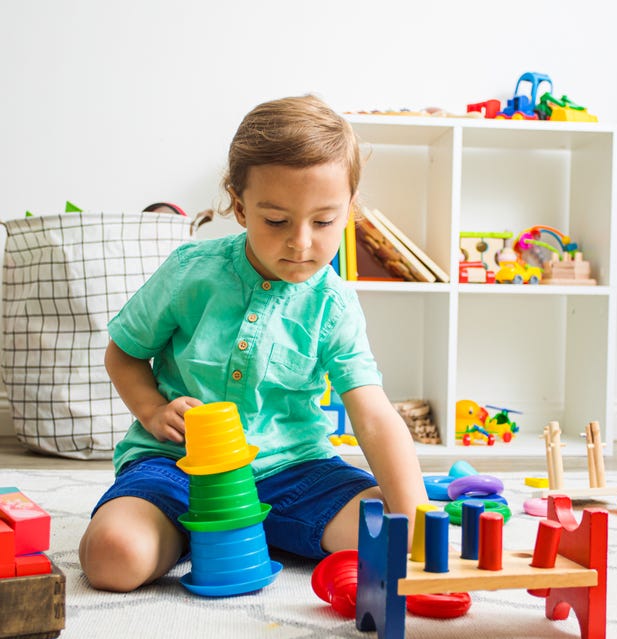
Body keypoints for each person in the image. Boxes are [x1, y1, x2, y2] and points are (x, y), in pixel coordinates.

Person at [79, 94, 429, 592]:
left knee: (390, 533)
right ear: (240, 207)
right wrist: (152, 411)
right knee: (113, 558)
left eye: (324, 221)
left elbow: (372, 416)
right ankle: (191, 531)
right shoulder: (190, 271)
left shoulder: (335, 304)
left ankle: (263, 526)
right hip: (178, 469)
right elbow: (125, 352)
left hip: (295, 473)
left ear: (349, 210)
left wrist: (413, 519)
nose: (301, 242)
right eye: (277, 221)